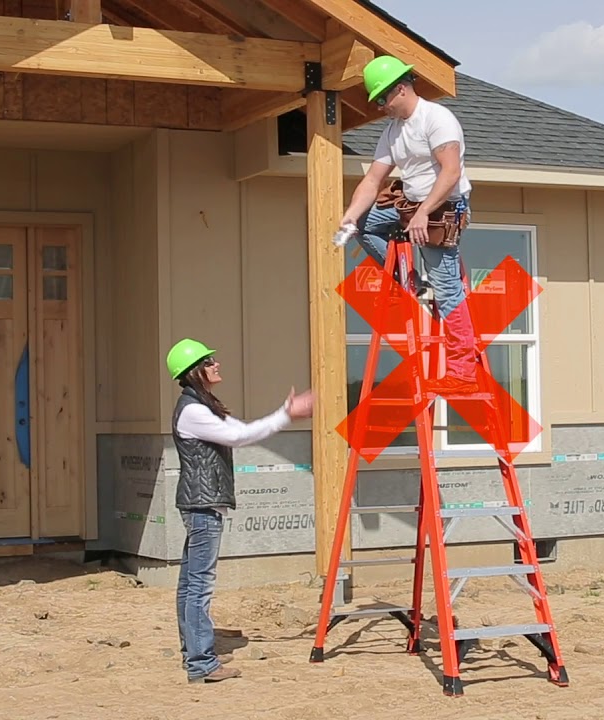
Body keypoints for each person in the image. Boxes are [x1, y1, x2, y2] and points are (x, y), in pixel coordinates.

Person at [165, 338, 315, 684]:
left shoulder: (200, 406)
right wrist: (286, 414)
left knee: (191, 583)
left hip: (200, 504)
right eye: (208, 361)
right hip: (202, 507)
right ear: (194, 371)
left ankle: (194, 655)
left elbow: (238, 431)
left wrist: (284, 413)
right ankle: (201, 663)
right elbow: (241, 436)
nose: (216, 363)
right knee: (198, 584)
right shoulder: (193, 411)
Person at [340, 54, 479, 395]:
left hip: (443, 208)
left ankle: (463, 372)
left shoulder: (437, 119)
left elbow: (451, 172)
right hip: (413, 206)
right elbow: (373, 180)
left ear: (400, 89)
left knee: (447, 290)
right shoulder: (393, 131)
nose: (381, 106)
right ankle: (409, 282)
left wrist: (423, 212)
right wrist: (350, 216)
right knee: (366, 223)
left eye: (383, 99)